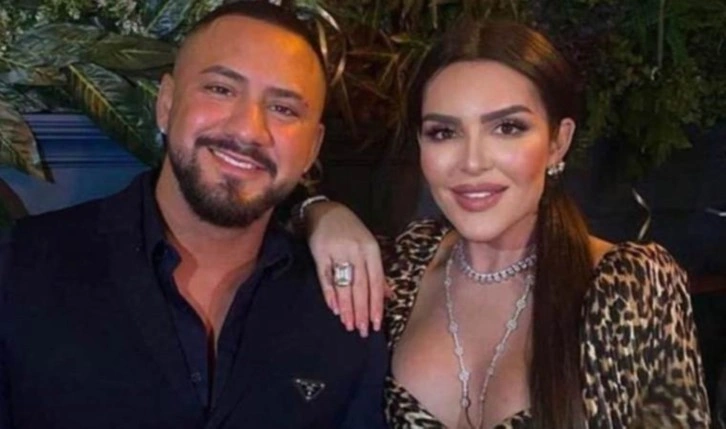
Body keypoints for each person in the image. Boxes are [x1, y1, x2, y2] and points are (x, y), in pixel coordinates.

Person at [300, 19, 710, 428]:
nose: (472, 162)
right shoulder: (403, 264)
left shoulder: (631, 283)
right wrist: (318, 212)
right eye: (444, 132)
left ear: (558, 142)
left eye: (508, 128)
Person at [0, 2, 387, 428]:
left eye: (284, 109)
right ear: (166, 104)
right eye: (221, 89)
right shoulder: (21, 266)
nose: (248, 129)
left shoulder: (346, 305)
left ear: (312, 148)